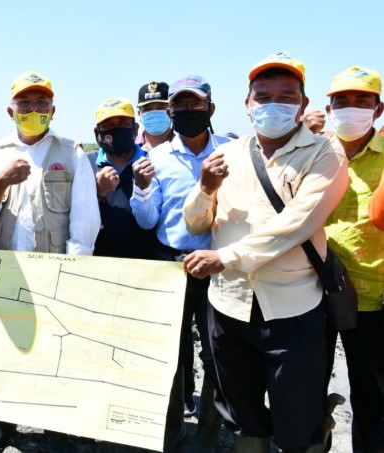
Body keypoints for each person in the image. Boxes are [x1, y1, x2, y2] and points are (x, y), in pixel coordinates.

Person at [182, 52, 348, 452]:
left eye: (287, 95)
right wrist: (204, 187)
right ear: (248, 104)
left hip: (290, 309)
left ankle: (315, 433)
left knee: (296, 422)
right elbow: (196, 224)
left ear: (303, 105)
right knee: (242, 417)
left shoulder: (325, 155)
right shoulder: (230, 154)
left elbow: (295, 226)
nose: (274, 104)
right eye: (263, 95)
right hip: (229, 306)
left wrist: (224, 257)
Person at [0, 70, 100, 452]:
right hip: (4, 265)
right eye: (25, 103)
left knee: (56, 349)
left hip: (56, 265)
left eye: (41, 102)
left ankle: (56, 426)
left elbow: (85, 216)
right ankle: (3, 423)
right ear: (11, 111)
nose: (33, 109)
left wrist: (76, 269)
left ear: (53, 109)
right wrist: (2, 180)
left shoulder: (72, 151)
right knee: (6, 347)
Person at [131, 75, 231, 452]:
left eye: (196, 104)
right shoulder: (155, 158)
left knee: (217, 354)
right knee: (167, 353)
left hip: (216, 267)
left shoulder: (230, 153)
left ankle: (207, 433)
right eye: (182, 106)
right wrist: (141, 190)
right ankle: (170, 431)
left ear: (211, 108)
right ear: (171, 111)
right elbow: (147, 219)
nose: (189, 111)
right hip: (169, 265)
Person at [322, 65, 384, 452]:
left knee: (372, 398)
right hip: (312, 293)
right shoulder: (314, 150)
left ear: (378, 110)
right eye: (342, 101)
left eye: (363, 101)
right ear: (329, 108)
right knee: (306, 390)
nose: (352, 109)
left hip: (373, 299)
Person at [91, 97, 156, 259]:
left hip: (149, 265)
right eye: (108, 125)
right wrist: (98, 194)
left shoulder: (153, 161)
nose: (116, 129)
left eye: (123, 123)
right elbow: (77, 217)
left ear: (135, 129)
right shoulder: (86, 164)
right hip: (99, 263)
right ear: (97, 133)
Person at [136, 82, 173, 151]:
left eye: (161, 107)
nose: (154, 113)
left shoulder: (185, 144)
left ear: (171, 111)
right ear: (139, 114)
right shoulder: (130, 149)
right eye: (147, 109)